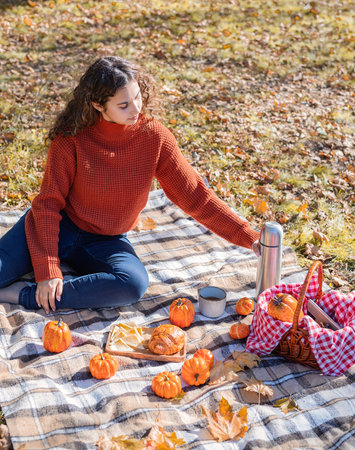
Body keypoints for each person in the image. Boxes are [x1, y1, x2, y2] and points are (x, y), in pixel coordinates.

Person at [0, 56, 260, 314]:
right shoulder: (70, 141)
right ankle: (46, 284)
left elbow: (195, 196)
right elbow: (47, 204)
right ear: (98, 105)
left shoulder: (154, 137)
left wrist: (249, 237)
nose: (136, 109)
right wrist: (47, 268)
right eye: (124, 105)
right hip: (57, 226)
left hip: (105, 241)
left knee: (132, 285)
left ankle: (24, 295)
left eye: (138, 97)